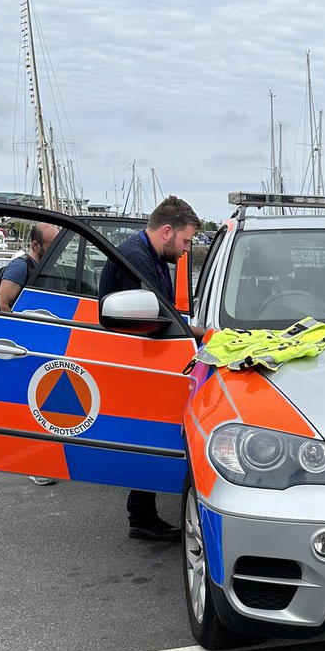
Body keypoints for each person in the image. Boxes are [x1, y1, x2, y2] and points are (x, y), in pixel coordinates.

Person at [98, 194, 201, 543]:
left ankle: (142, 513)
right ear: (167, 231)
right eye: (186, 241)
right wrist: (199, 333)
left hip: (141, 356)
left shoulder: (148, 255)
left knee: (147, 432)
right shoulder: (136, 258)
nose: (186, 250)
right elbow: (152, 315)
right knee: (147, 432)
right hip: (134, 361)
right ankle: (141, 517)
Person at [0, 221, 60, 487]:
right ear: (36, 245)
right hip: (27, 347)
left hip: (45, 344)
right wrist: (23, 335)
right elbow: (2, 302)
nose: (56, 250)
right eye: (51, 245)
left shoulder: (47, 265)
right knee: (35, 406)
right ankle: (36, 465)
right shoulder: (20, 267)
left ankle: (45, 459)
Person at [0, 221, 58, 313]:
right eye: (52, 247)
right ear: (35, 245)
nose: (56, 252)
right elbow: (1, 304)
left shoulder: (50, 266)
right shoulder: (20, 267)